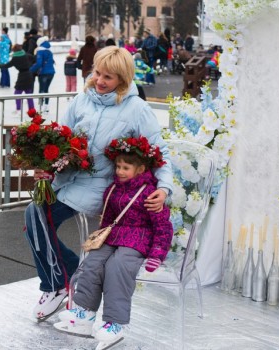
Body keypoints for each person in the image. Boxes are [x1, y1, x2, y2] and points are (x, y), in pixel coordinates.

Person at [23, 46, 172, 329]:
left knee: (38, 215)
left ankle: (57, 282)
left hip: (101, 186)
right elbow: (61, 137)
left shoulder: (136, 109)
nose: (100, 81)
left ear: (123, 80)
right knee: (34, 215)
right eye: (97, 73)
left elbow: (159, 151)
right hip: (67, 179)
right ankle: (64, 277)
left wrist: (164, 188)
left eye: (109, 77)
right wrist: (47, 165)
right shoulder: (81, 100)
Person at [54, 136, 173, 348]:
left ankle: (115, 323)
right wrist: (100, 237)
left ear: (140, 169)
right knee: (94, 262)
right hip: (114, 235)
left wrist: (157, 254)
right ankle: (84, 312)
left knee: (117, 267)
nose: (119, 171)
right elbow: (108, 219)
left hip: (138, 238)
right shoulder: (113, 189)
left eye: (126, 167)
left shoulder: (149, 193)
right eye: (118, 166)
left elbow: (163, 226)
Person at [1, 44, 35, 113]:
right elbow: (34, 58)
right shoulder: (25, 54)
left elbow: (8, 65)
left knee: (17, 93)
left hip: (22, 76)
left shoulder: (15, 58)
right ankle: (32, 110)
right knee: (29, 94)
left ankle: (18, 109)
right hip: (29, 74)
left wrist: (0, 65)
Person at [29, 36, 55, 113]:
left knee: (41, 90)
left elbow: (39, 64)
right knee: (46, 89)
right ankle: (46, 106)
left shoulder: (40, 51)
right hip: (51, 73)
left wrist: (30, 70)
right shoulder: (49, 51)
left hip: (43, 73)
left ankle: (40, 106)